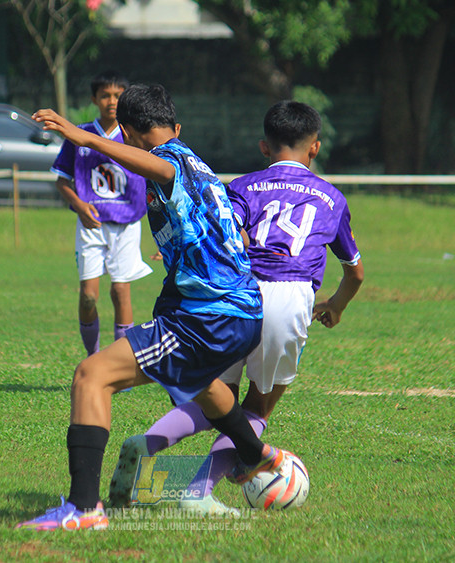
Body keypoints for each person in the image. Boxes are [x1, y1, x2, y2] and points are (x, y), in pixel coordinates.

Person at [16, 83, 289, 531]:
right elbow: (228, 233)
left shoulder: (171, 160)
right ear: (173, 124)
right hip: (242, 313)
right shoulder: (198, 163)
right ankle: (257, 454)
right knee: (201, 383)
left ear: (125, 130)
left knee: (91, 376)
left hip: (207, 317)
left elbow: (160, 167)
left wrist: (85, 137)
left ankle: (84, 511)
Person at [108, 100, 364, 514]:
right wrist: (335, 305)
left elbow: (230, 236)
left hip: (234, 294)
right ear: (314, 148)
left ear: (265, 147)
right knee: (255, 409)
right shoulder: (332, 198)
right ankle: (196, 492)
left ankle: (147, 445)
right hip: (289, 297)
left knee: (217, 399)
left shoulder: (244, 186)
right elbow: (355, 272)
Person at [50, 71, 153, 356]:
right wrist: (80, 205)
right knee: (88, 296)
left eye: (118, 96)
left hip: (127, 224)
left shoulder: (135, 135)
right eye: (105, 95)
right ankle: (93, 358)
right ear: (94, 99)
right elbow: (61, 180)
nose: (111, 101)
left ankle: (122, 365)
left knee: (121, 292)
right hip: (91, 224)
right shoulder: (79, 135)